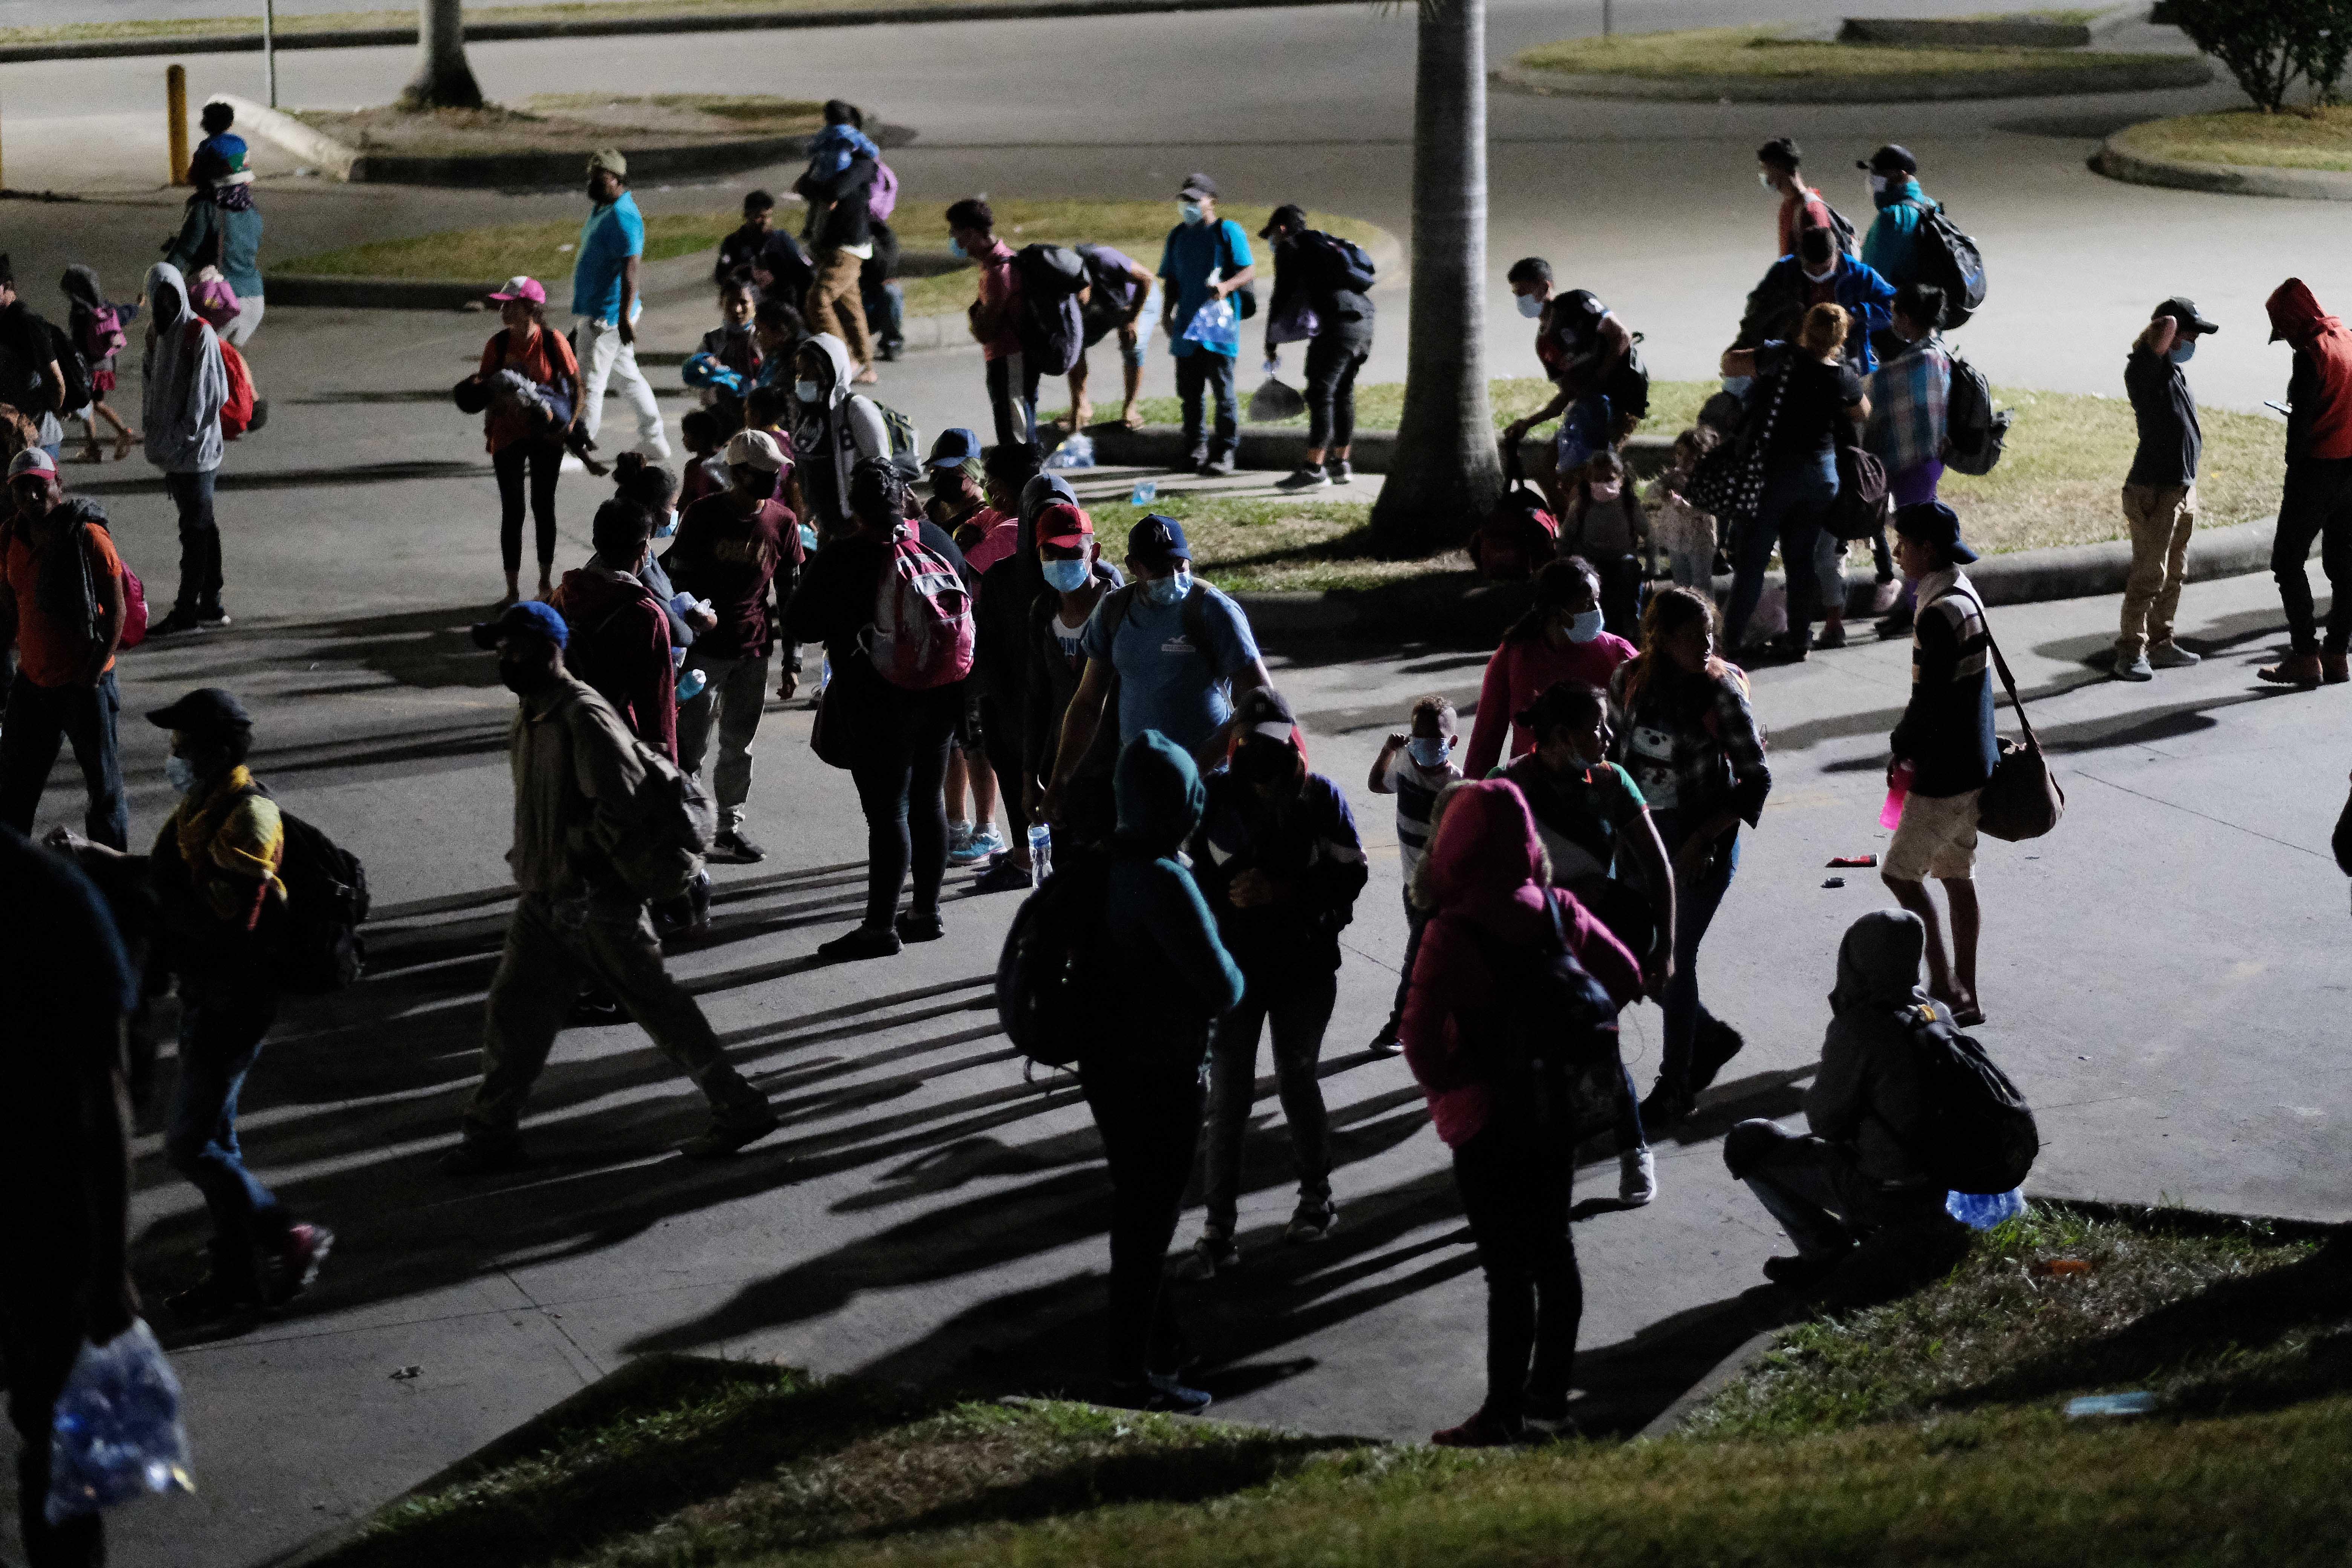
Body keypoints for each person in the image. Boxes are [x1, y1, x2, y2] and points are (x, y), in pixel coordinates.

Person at [448, 603, 778, 1173]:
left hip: (592, 900)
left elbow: (622, 808)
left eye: (512, 648)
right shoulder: (533, 713)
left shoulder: (583, 717)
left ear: (547, 650)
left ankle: (738, 1104)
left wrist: (580, 871)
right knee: (513, 1014)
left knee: (660, 1007)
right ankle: (490, 1132)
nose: (504, 660)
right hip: (547, 895)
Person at [1401, 779, 1642, 1446]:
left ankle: (1501, 1413)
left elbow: (1417, 1039)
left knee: (1506, 1272)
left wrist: (1458, 1077)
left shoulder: (1451, 930)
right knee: (1555, 1251)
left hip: (1487, 1118)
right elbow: (1624, 974)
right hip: (1554, 1107)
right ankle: (1547, 1402)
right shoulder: (1558, 909)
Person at [1181, 688, 1367, 1277]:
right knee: (1229, 1097)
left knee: (1296, 1078)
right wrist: (1225, 901)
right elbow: (1188, 876)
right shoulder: (1211, 798)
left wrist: (1283, 892)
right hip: (1234, 973)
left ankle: (1317, 1199)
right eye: (1246, 750)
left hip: (1303, 968)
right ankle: (1218, 1231)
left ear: (1290, 748)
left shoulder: (1319, 798)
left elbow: (1352, 875)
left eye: (1270, 754)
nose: (1259, 770)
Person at [1090, 729, 1245, 1413]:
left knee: (1135, 1207)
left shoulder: (1100, 861)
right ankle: (1131, 1376)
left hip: (1106, 1066)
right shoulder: (1165, 880)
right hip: (1163, 1072)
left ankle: (1160, 1341)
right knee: (1148, 1226)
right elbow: (1225, 987)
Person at [1, 820, 138, 1568]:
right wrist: (111, 1270)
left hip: (37, 1223)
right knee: (56, 1438)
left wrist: (108, 1270)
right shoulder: (51, 895)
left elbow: (102, 1098)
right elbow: (106, 1099)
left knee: (54, 1430)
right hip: (41, 1221)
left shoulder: (50, 895)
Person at [784, 458, 969, 960]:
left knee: (888, 812)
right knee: (929, 801)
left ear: (854, 508)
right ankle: (926, 913)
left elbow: (800, 623)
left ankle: (879, 929)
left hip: (876, 704)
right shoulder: (937, 541)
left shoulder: (842, 557)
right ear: (903, 498)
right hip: (942, 695)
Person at [1725, 909, 1958, 1288]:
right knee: (1874, 1130)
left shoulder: (1860, 1028)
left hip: (1893, 1193)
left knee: (1748, 1142)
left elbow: (1825, 1121)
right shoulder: (1938, 1013)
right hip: (1949, 1182)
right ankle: (1871, 1231)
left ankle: (1825, 1252)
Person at [1609, 586, 1771, 1129]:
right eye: (1691, 636)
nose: (1705, 645)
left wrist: (1702, 839)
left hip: (1700, 842)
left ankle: (1675, 1084)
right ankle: (1706, 1036)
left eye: (1709, 633)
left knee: (1674, 959)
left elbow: (1755, 779)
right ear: (1658, 639)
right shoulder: (1629, 681)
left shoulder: (1720, 692)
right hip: (1642, 840)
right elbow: (1617, 759)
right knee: (1635, 958)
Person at [1040, 513, 1273, 824]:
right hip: (1138, 786)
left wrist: (1194, 769)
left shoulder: (1213, 610)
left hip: (1207, 785)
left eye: (1181, 565)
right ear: (1134, 567)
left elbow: (1260, 700)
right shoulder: (1113, 611)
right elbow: (1087, 703)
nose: (1174, 576)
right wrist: (1060, 779)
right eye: (1161, 569)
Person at [1882, 501, 1996, 1028]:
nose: (1897, 552)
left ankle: (1945, 984)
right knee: (1955, 875)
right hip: (1975, 761)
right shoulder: (1961, 592)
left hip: (1946, 772)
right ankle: (1967, 991)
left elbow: (1929, 701)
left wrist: (1901, 746)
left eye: (1903, 543)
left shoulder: (1936, 613)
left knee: (1901, 875)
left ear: (1926, 548)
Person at [666, 427, 799, 863]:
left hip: (754, 649)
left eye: (776, 470)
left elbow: (790, 592)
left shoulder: (783, 521)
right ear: (739, 473)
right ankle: (685, 825)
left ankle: (728, 827)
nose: (773, 478)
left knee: (739, 745)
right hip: (704, 653)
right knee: (691, 746)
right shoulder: (702, 515)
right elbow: (678, 583)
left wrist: (792, 658)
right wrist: (692, 620)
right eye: (764, 471)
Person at [1720, 302, 1871, 659]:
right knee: (1801, 559)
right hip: (1821, 478)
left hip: (1774, 475)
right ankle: (1799, 638)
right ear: (1841, 337)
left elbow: (1729, 363)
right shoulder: (1843, 377)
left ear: (1806, 327)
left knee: (1753, 561)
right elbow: (1862, 412)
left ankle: (1731, 642)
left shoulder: (1779, 357)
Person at [0, 448, 129, 850]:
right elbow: (10, 604)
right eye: (22, 490)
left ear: (59, 485)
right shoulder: (8, 537)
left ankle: (112, 873)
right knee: (15, 786)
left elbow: (117, 611)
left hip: (83, 685)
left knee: (103, 790)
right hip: (32, 684)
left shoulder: (87, 537)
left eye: (40, 487)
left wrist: (89, 677)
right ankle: (13, 868)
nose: (31, 498)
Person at [2115, 297, 2218, 681]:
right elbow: (2162, 333)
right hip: (2154, 490)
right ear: (2168, 333)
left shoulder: (2172, 371)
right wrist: (2169, 324)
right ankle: (2130, 650)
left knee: (2175, 571)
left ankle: (2161, 642)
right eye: (2189, 334)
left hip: (2180, 488)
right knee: (2149, 574)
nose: (2194, 341)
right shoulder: (2145, 369)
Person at [1462, 557, 1638, 779]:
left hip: (1600, 786)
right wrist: (1469, 796)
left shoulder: (1617, 653)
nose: (1597, 611)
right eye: (1587, 604)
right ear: (1556, 610)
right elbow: (1487, 738)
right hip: (1533, 788)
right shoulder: (1514, 656)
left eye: (1597, 602)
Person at [467, 275, 582, 609]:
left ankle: (546, 583)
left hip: (547, 436)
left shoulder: (553, 341)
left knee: (543, 505)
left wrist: (569, 427)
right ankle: (512, 590)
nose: (503, 310)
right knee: (513, 510)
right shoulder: (498, 345)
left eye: (511, 304)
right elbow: (487, 388)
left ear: (530, 307)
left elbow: (577, 387)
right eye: (503, 304)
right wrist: (490, 425)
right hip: (508, 435)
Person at [2261, 278, 2352, 688]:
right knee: (2344, 565)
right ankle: (2337, 653)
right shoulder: (2348, 338)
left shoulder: (2311, 354)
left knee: (2287, 560)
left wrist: (2292, 466)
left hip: (2318, 470)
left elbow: (2301, 426)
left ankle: (2304, 654)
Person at [1022, 495, 1125, 848]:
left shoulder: (1118, 610)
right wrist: (1030, 776)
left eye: (1071, 553)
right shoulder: (1043, 613)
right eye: (1050, 554)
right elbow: (1038, 699)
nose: (1061, 562)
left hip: (1113, 772)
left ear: (1093, 554)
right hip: (1059, 774)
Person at [1501, 270, 1647, 508]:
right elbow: (1569, 394)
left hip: (1622, 398)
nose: (1521, 300)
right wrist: (1528, 423)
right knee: (1547, 471)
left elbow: (1621, 336)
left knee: (1597, 474)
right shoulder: (1544, 344)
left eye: (1525, 292)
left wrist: (1598, 379)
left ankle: (1615, 524)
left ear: (1545, 286)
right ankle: (1569, 527)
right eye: (1517, 294)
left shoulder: (1577, 303)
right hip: (1589, 408)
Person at [1366, 694, 1462, 1054]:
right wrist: (1387, 752)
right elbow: (1378, 784)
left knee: (1420, 958)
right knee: (1430, 956)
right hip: (1411, 885)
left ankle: (1398, 1028)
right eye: (1417, 736)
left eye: (1435, 738)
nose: (1424, 745)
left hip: (1437, 888)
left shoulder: (1455, 784)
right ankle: (1428, 1023)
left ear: (1452, 742)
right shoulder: (1405, 762)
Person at [551, 498, 679, 761]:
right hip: (618, 743)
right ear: (645, 549)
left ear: (597, 545)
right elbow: (657, 707)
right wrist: (668, 770)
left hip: (564, 737)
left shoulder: (562, 597)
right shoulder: (646, 616)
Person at [141, 262, 229, 637]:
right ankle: (210, 602)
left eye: (168, 298)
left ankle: (187, 610)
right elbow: (151, 385)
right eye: (156, 300)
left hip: (195, 453)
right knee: (203, 526)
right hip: (174, 450)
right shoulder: (156, 336)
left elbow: (207, 399)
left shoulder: (198, 334)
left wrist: (179, 437)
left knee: (193, 531)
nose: (162, 307)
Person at [1260, 204, 1375, 490]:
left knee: (1320, 392)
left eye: (1272, 235)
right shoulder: (1325, 245)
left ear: (1282, 229)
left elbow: (1282, 294)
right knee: (1343, 391)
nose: (1272, 242)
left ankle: (1313, 470)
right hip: (1364, 321)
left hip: (1337, 326)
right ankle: (1341, 464)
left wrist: (1271, 342)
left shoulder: (1291, 247)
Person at [1862, 280, 1951, 640]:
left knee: (1916, 540)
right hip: (1925, 457)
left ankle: (1918, 609)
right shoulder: (1935, 353)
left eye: (1897, 310)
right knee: (1913, 536)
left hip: (1915, 461)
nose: (1893, 317)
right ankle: (1910, 606)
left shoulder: (1920, 360)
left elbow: (1875, 392)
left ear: (1910, 317)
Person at [572, 150, 671, 465]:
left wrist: (624, 318)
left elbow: (631, 271)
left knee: (590, 384)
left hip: (609, 315)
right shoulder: (605, 206)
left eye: (598, 179)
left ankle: (580, 447)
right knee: (627, 377)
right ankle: (654, 439)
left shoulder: (623, 216)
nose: (592, 184)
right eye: (590, 177)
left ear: (617, 179)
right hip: (604, 310)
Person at [1158, 173, 1255, 476]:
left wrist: (1227, 286)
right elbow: (1171, 279)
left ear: (1211, 201)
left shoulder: (1227, 231)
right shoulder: (1177, 236)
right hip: (1186, 325)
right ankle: (1194, 450)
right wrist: (1166, 314)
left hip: (1218, 324)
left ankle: (1225, 451)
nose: (1188, 205)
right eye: (1184, 200)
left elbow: (1248, 270)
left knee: (1223, 392)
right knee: (1190, 393)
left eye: (1194, 200)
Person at [1733, 224, 1897, 376]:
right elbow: (1756, 312)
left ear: (1837, 254)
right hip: (1793, 351)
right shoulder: (1783, 272)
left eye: (1825, 269)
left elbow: (1893, 307)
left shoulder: (1860, 275)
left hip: (1847, 354)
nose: (1818, 275)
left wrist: (1857, 315)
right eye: (1811, 270)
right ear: (1800, 257)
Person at [795, 112, 881, 386]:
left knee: (818, 300)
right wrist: (820, 188)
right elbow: (803, 185)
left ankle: (843, 358)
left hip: (849, 246)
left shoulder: (862, 163)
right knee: (851, 305)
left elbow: (835, 189)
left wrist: (821, 189)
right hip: (826, 245)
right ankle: (866, 364)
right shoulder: (823, 160)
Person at [946, 198, 1034, 448]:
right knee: (1016, 419)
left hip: (1009, 356)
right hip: (1009, 356)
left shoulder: (998, 272)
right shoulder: (1001, 262)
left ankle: (1021, 476)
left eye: (956, 232)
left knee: (1014, 428)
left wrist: (975, 314)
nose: (954, 239)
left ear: (972, 233)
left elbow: (985, 330)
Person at [787, 333, 890, 540]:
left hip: (855, 525)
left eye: (809, 372)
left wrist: (864, 518)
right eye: (800, 372)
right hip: (825, 525)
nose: (802, 379)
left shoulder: (856, 409)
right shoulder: (807, 415)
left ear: (829, 371)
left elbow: (882, 467)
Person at [163, 142, 264, 348]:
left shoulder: (206, 209)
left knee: (195, 370)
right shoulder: (253, 212)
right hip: (253, 301)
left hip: (218, 301)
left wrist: (159, 286)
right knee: (231, 372)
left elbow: (181, 255)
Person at [1559, 449, 1648, 637]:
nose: (1603, 485)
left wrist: (1652, 567)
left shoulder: (1629, 504)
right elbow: (1567, 535)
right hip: (1592, 560)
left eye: (1609, 479)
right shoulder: (1582, 504)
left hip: (1622, 560)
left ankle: (1632, 626)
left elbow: (1647, 532)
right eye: (1597, 480)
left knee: (1629, 577)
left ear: (1621, 479)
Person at [1069, 242, 1157, 431]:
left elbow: (1147, 279)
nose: (1078, 303)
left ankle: (1130, 407)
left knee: (1133, 345)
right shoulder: (1068, 274)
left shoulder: (1104, 259)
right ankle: (1082, 407)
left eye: (1079, 296)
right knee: (1075, 344)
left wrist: (1132, 321)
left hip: (1140, 300)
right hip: (1108, 306)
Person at [59, 265, 140, 463]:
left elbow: (77, 345)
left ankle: (103, 443)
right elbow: (124, 315)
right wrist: (137, 306)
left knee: (90, 406)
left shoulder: (80, 314)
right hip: (106, 368)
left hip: (89, 369)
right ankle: (108, 439)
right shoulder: (106, 308)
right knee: (96, 405)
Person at [0, 256, 66, 467]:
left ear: (7, 286)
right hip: (8, 438)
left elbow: (56, 381)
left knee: (38, 498)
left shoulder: (27, 323)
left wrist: (52, 409)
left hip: (37, 440)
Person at [1646, 426, 1721, 591]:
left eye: (1691, 458)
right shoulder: (1672, 477)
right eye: (1680, 455)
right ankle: (1684, 612)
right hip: (1675, 538)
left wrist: (1681, 503)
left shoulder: (1707, 481)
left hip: (1699, 540)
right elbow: (1650, 493)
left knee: (1701, 584)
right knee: (1680, 582)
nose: (1683, 462)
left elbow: (1705, 508)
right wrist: (1662, 488)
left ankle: (1708, 613)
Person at [1857, 145, 1932, 294]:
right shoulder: (1930, 206)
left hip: (1897, 310)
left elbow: (1872, 276)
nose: (1874, 180)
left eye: (1881, 174)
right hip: (1921, 306)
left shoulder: (1893, 217)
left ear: (1902, 175)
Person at [1758, 134, 1833, 260]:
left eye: (1766, 169)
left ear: (1778, 167)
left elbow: (1821, 264)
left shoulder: (1811, 209)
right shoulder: (1788, 207)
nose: (1765, 176)